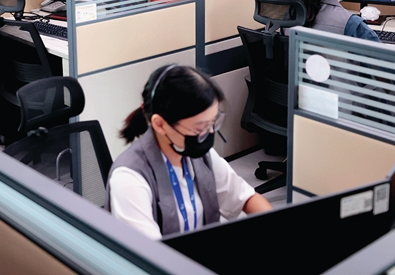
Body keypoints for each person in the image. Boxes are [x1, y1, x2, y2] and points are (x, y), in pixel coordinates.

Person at [107, 65, 272, 239]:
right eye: (199, 128)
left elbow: (246, 198)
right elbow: (150, 252)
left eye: (213, 122)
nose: (209, 133)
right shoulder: (129, 178)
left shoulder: (202, 156)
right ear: (160, 125)